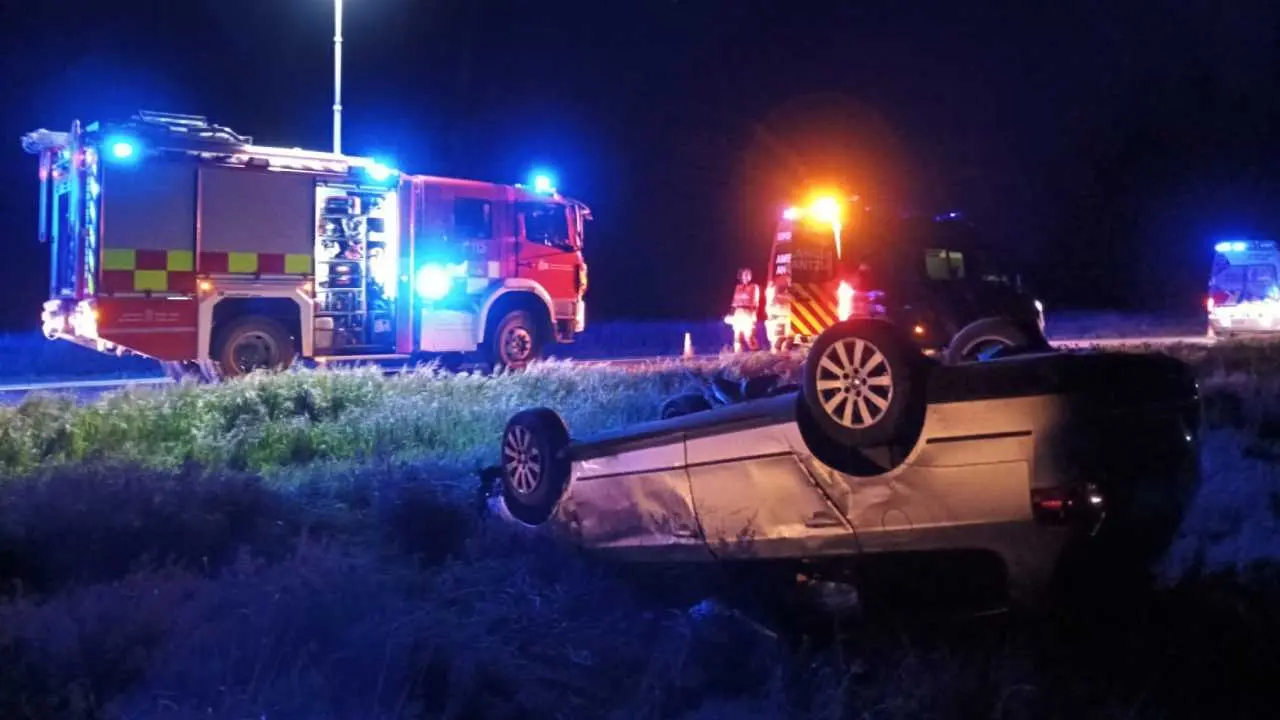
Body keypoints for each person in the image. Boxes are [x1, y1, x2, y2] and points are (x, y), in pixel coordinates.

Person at [726, 267, 761, 352]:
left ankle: (756, 353)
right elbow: (734, 303)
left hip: (748, 313)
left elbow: (756, 302)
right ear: (741, 276)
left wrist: (754, 316)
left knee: (748, 336)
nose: (745, 277)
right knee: (737, 336)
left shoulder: (754, 287)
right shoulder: (738, 287)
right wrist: (731, 314)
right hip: (738, 313)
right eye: (744, 275)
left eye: (748, 275)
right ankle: (738, 355)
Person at [764, 272, 794, 352]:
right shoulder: (776, 289)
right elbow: (778, 301)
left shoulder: (772, 288)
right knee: (779, 342)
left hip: (779, 318)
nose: (789, 282)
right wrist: (790, 297)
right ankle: (778, 358)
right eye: (787, 280)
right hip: (779, 318)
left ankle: (780, 357)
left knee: (787, 339)